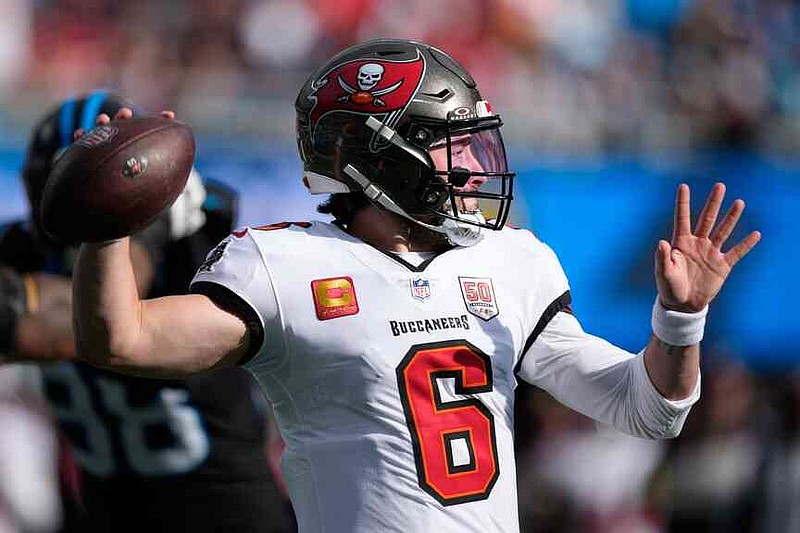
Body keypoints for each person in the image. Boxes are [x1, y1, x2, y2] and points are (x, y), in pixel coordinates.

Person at [70, 40, 761, 532]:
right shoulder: (282, 265)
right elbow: (122, 340)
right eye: (447, 144)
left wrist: (680, 319)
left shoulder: (511, 260)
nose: (469, 165)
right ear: (377, 158)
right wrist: (105, 229)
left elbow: (651, 408)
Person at [0, 91, 289, 532]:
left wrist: (120, 218)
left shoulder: (192, 242)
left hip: (224, 508)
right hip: (102, 509)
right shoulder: (20, 250)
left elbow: (87, 313)